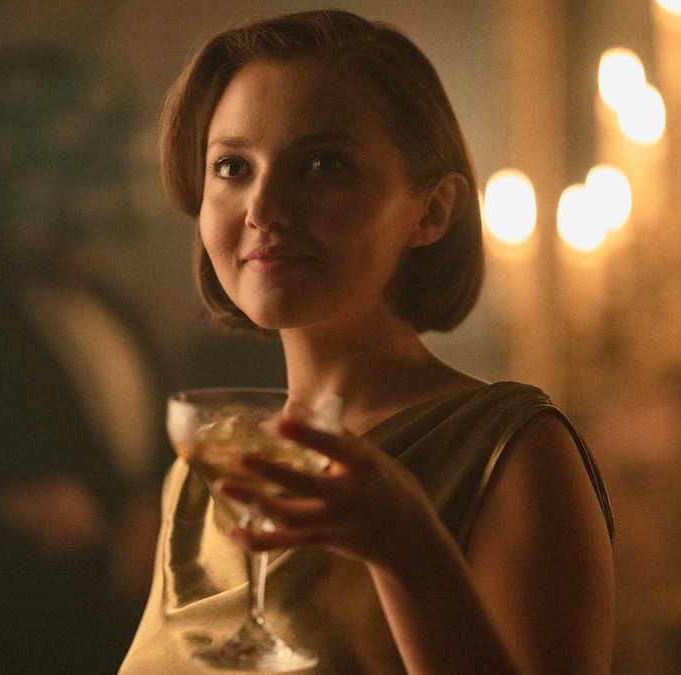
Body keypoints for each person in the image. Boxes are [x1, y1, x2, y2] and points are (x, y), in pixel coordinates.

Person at [119, 9, 615, 674]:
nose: (264, 207)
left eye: (323, 164)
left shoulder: (512, 447)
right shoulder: (204, 468)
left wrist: (411, 552)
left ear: (431, 210)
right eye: (233, 167)